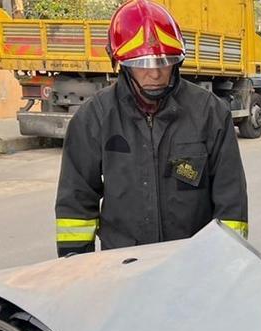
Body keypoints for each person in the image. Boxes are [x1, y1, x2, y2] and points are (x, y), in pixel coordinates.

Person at [54, 0, 248, 257]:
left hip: (195, 264)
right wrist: (77, 270)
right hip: (123, 268)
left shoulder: (210, 113)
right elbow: (76, 205)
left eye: (165, 61)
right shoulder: (95, 118)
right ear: (120, 63)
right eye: (142, 63)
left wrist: (228, 264)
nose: (155, 73)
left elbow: (231, 203)